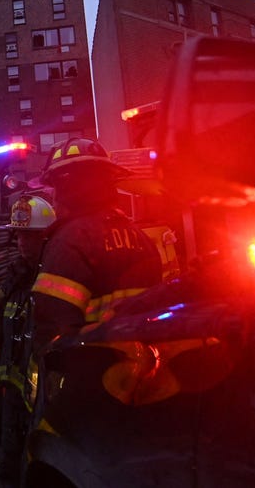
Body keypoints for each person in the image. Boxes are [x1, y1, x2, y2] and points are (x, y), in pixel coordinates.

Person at [30, 138, 162, 352]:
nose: (53, 198)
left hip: (93, 373)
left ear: (68, 187)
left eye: (54, 187)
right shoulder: (141, 238)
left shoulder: (69, 240)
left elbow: (53, 327)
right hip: (142, 372)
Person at [0, 194, 56, 488]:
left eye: (31, 236)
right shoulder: (14, 278)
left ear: (48, 237)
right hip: (13, 387)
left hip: (46, 391)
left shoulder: (56, 277)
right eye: (20, 236)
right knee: (11, 452)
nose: (24, 243)